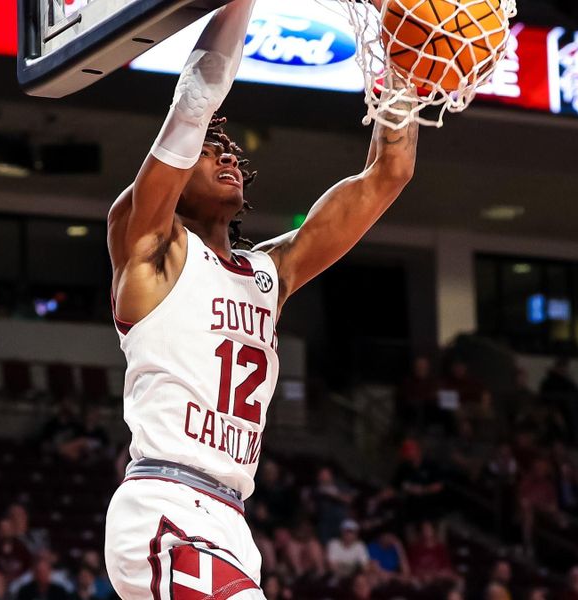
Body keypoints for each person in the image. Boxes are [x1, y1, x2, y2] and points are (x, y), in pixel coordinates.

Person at [103, 0, 419, 596]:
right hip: (165, 507)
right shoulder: (148, 246)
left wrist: (403, 63)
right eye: (207, 151)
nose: (225, 154)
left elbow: (389, 173)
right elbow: (195, 99)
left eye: (230, 151)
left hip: (230, 518)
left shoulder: (270, 272)